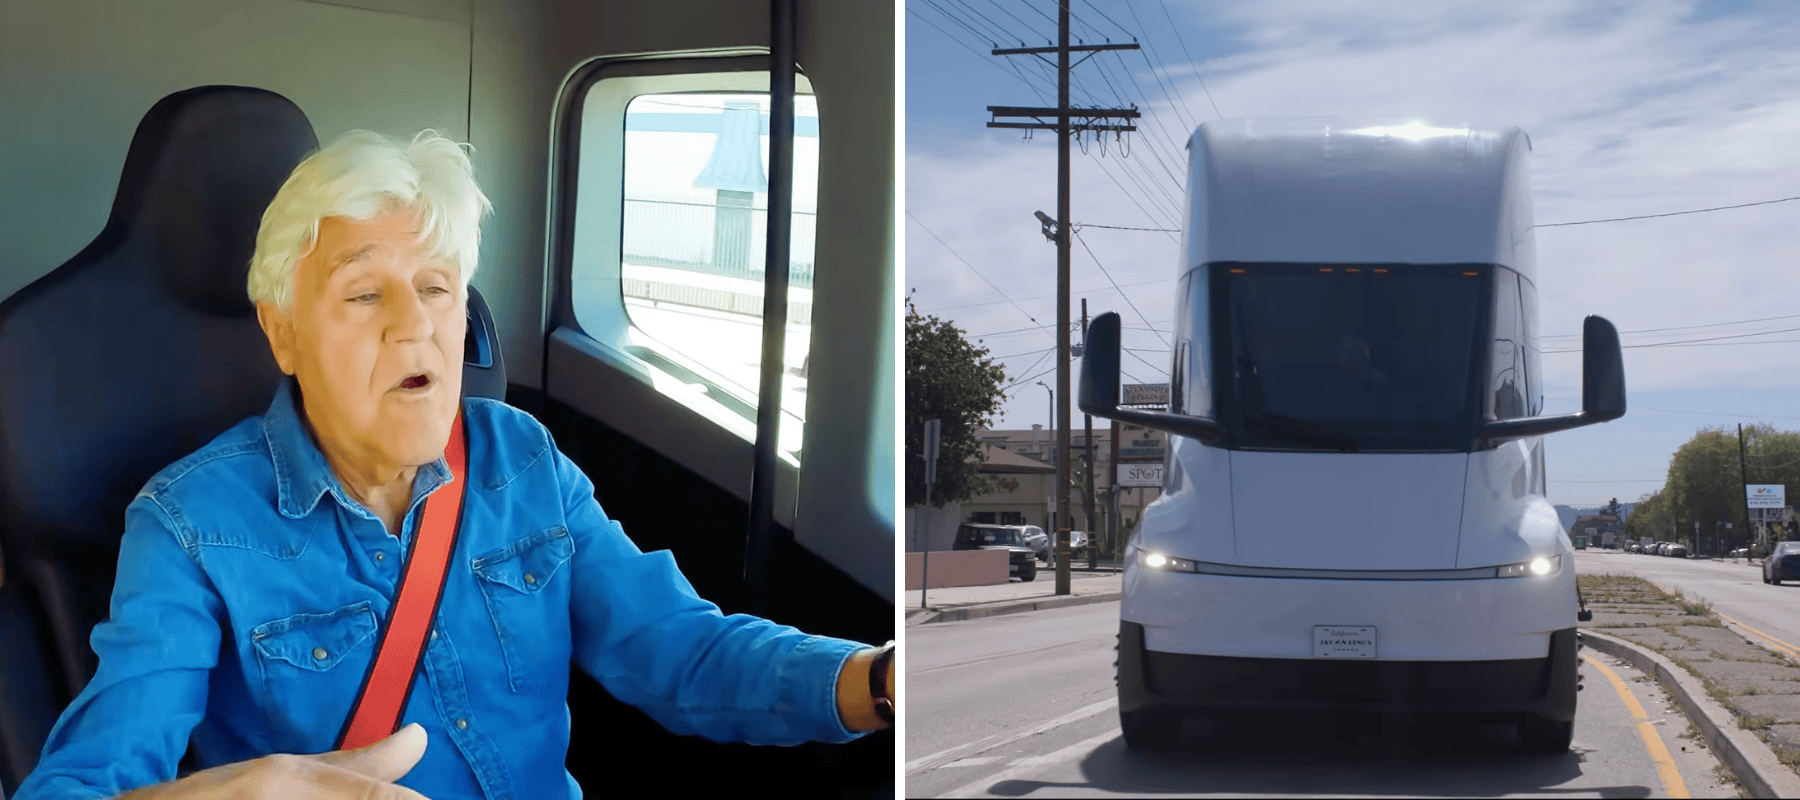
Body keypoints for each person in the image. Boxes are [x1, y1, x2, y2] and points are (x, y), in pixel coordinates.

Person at [15, 130, 895, 800]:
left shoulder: (522, 459)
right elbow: (84, 781)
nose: (414, 323)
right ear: (283, 331)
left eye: (437, 287)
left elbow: (682, 651)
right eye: (364, 292)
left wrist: (878, 683)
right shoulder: (189, 524)